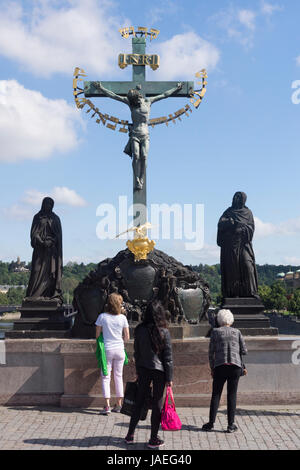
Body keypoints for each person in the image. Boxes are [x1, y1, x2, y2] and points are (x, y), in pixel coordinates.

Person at [95, 81, 183, 190]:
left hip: (145, 134)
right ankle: (136, 179)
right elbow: (114, 96)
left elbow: (164, 95)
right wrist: (101, 88)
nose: (133, 103)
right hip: (135, 134)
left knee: (144, 156)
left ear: (138, 97)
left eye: (134, 101)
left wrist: (176, 89)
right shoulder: (130, 103)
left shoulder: (148, 101)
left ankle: (141, 178)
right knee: (136, 156)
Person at [125, 300, 173, 449]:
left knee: (139, 401)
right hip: (159, 371)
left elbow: (137, 352)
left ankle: (130, 435)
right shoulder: (164, 332)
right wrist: (169, 378)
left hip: (144, 368)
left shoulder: (139, 329)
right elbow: (168, 358)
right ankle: (153, 438)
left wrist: (138, 371)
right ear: (161, 315)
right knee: (157, 404)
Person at [202, 309, 247, 433]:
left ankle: (211, 423)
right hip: (235, 367)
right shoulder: (237, 332)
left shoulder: (215, 332)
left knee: (216, 394)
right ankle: (230, 425)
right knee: (232, 395)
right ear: (231, 320)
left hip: (220, 366)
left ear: (219, 320)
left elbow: (211, 353)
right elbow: (244, 350)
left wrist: (212, 368)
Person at [217, 191, 259, 298]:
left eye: (238, 197)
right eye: (235, 197)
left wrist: (241, 229)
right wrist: (229, 222)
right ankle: (233, 293)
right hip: (231, 246)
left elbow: (251, 228)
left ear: (243, 200)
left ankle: (251, 292)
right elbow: (220, 224)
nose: (236, 198)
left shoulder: (248, 213)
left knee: (247, 265)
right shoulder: (228, 211)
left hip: (244, 245)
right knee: (233, 270)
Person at [95, 293, 130, 415]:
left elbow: (97, 335)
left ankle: (107, 406)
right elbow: (127, 337)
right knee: (118, 377)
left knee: (106, 376)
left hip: (107, 349)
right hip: (120, 349)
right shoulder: (123, 318)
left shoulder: (102, 317)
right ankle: (119, 404)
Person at [25, 197, 63, 302]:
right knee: (36, 271)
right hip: (40, 251)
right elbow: (33, 234)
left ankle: (49, 295)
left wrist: (51, 241)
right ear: (43, 204)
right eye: (47, 204)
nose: (49, 206)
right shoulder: (37, 217)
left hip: (52, 253)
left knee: (51, 275)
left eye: (51, 204)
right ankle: (33, 295)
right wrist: (42, 242)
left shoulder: (55, 219)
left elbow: (58, 236)